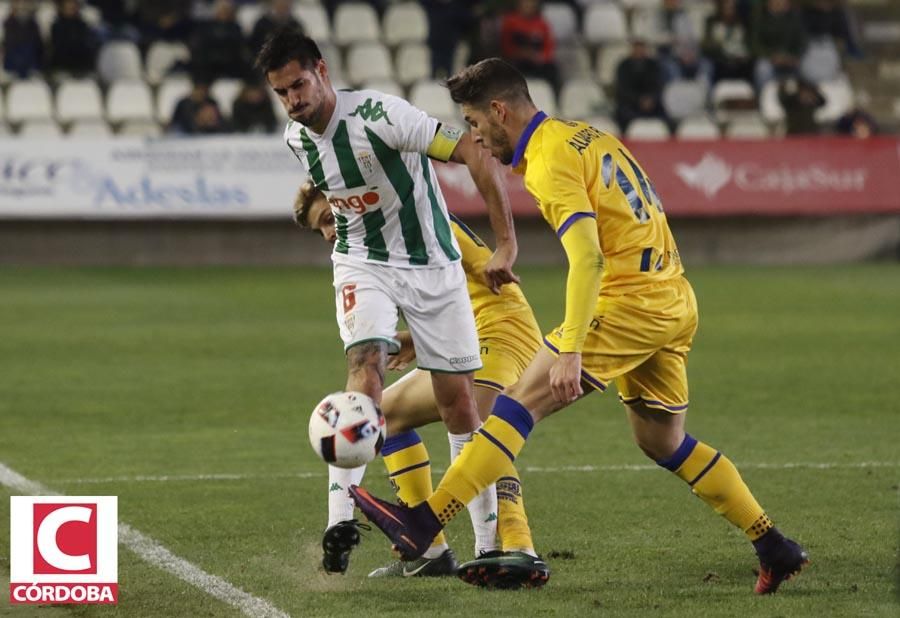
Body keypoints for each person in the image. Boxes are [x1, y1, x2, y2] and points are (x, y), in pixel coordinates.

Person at [350, 58, 810, 595]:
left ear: (499, 110)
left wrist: (569, 347)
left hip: (629, 303)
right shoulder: (586, 136)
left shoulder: (547, 162)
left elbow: (587, 257)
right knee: (661, 439)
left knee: (515, 405)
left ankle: (425, 522)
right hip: (672, 296)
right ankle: (773, 545)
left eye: (475, 123)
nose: (475, 136)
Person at [254, 25, 519, 578]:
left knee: (458, 405)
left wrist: (507, 242)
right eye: (282, 93)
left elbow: (473, 149)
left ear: (322, 70)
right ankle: (337, 522)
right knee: (365, 365)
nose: (293, 101)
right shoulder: (296, 138)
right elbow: (346, 196)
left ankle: (487, 546)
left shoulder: (380, 115)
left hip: (433, 267)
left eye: (298, 85)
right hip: (362, 261)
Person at [294, 182, 547, 586]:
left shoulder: (413, 216)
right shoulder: (377, 235)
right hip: (466, 334)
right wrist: (418, 339)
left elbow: (465, 285)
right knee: (383, 415)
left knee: (479, 424)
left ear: (346, 198)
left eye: (328, 218)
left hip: (502, 332)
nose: (327, 234)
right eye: (318, 230)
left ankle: (516, 545)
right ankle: (427, 551)